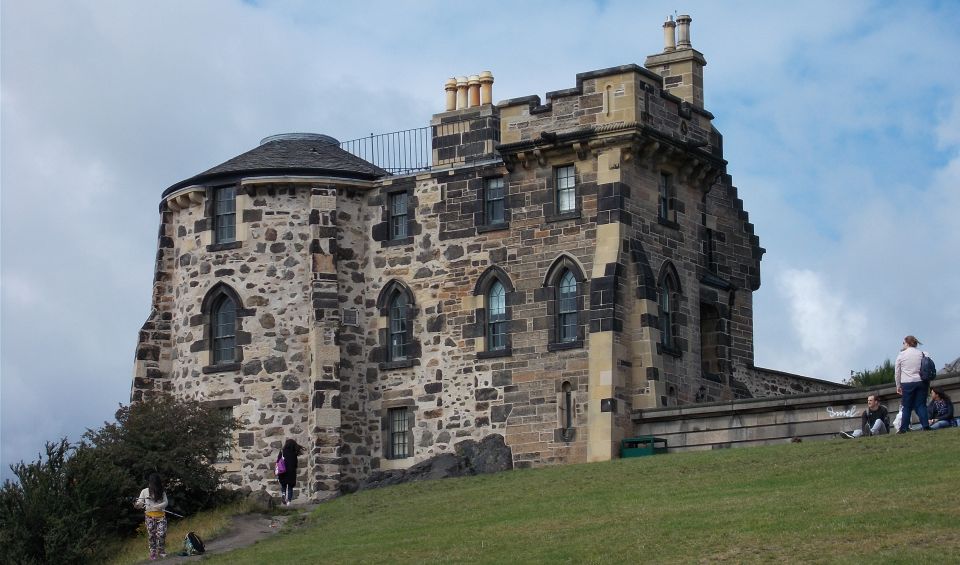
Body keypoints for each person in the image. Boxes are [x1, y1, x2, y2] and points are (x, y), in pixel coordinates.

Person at [894, 335, 930, 433]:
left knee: (907, 406)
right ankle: (925, 425)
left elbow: (897, 372)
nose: (903, 345)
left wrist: (898, 386)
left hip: (907, 383)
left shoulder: (901, 355)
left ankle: (904, 428)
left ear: (907, 343)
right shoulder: (922, 353)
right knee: (921, 405)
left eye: (903, 343)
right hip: (921, 382)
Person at [134, 473, 169, 560]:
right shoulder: (144, 491)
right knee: (151, 535)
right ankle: (153, 553)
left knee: (162, 533)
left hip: (161, 516)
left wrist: (158, 506)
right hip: (149, 516)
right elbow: (140, 503)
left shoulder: (162, 491)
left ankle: (161, 551)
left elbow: (166, 502)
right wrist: (137, 505)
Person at [277, 438, 305, 505]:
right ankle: (288, 502)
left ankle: (283, 494)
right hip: (291, 472)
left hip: (282, 471)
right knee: (290, 487)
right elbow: (295, 464)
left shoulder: (282, 451)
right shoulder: (294, 453)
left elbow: (278, 460)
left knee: (283, 485)